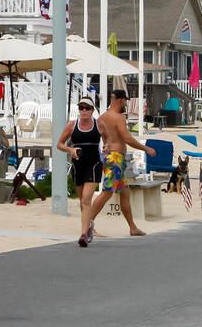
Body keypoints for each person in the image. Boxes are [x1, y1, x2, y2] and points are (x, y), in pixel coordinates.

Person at [78, 89, 157, 246]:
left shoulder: (102, 117)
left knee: (125, 194)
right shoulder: (118, 117)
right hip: (115, 159)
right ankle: (88, 226)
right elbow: (126, 138)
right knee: (107, 193)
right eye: (126, 101)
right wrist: (146, 148)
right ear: (121, 100)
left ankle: (132, 228)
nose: (126, 104)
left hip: (109, 158)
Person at [57, 96, 104, 243]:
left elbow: (108, 140)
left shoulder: (99, 125)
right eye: (81, 108)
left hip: (94, 164)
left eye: (87, 108)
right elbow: (59, 144)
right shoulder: (72, 125)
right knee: (82, 201)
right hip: (78, 165)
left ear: (92, 110)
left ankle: (83, 235)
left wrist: (108, 148)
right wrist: (70, 150)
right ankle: (89, 225)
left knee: (86, 199)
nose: (84, 111)